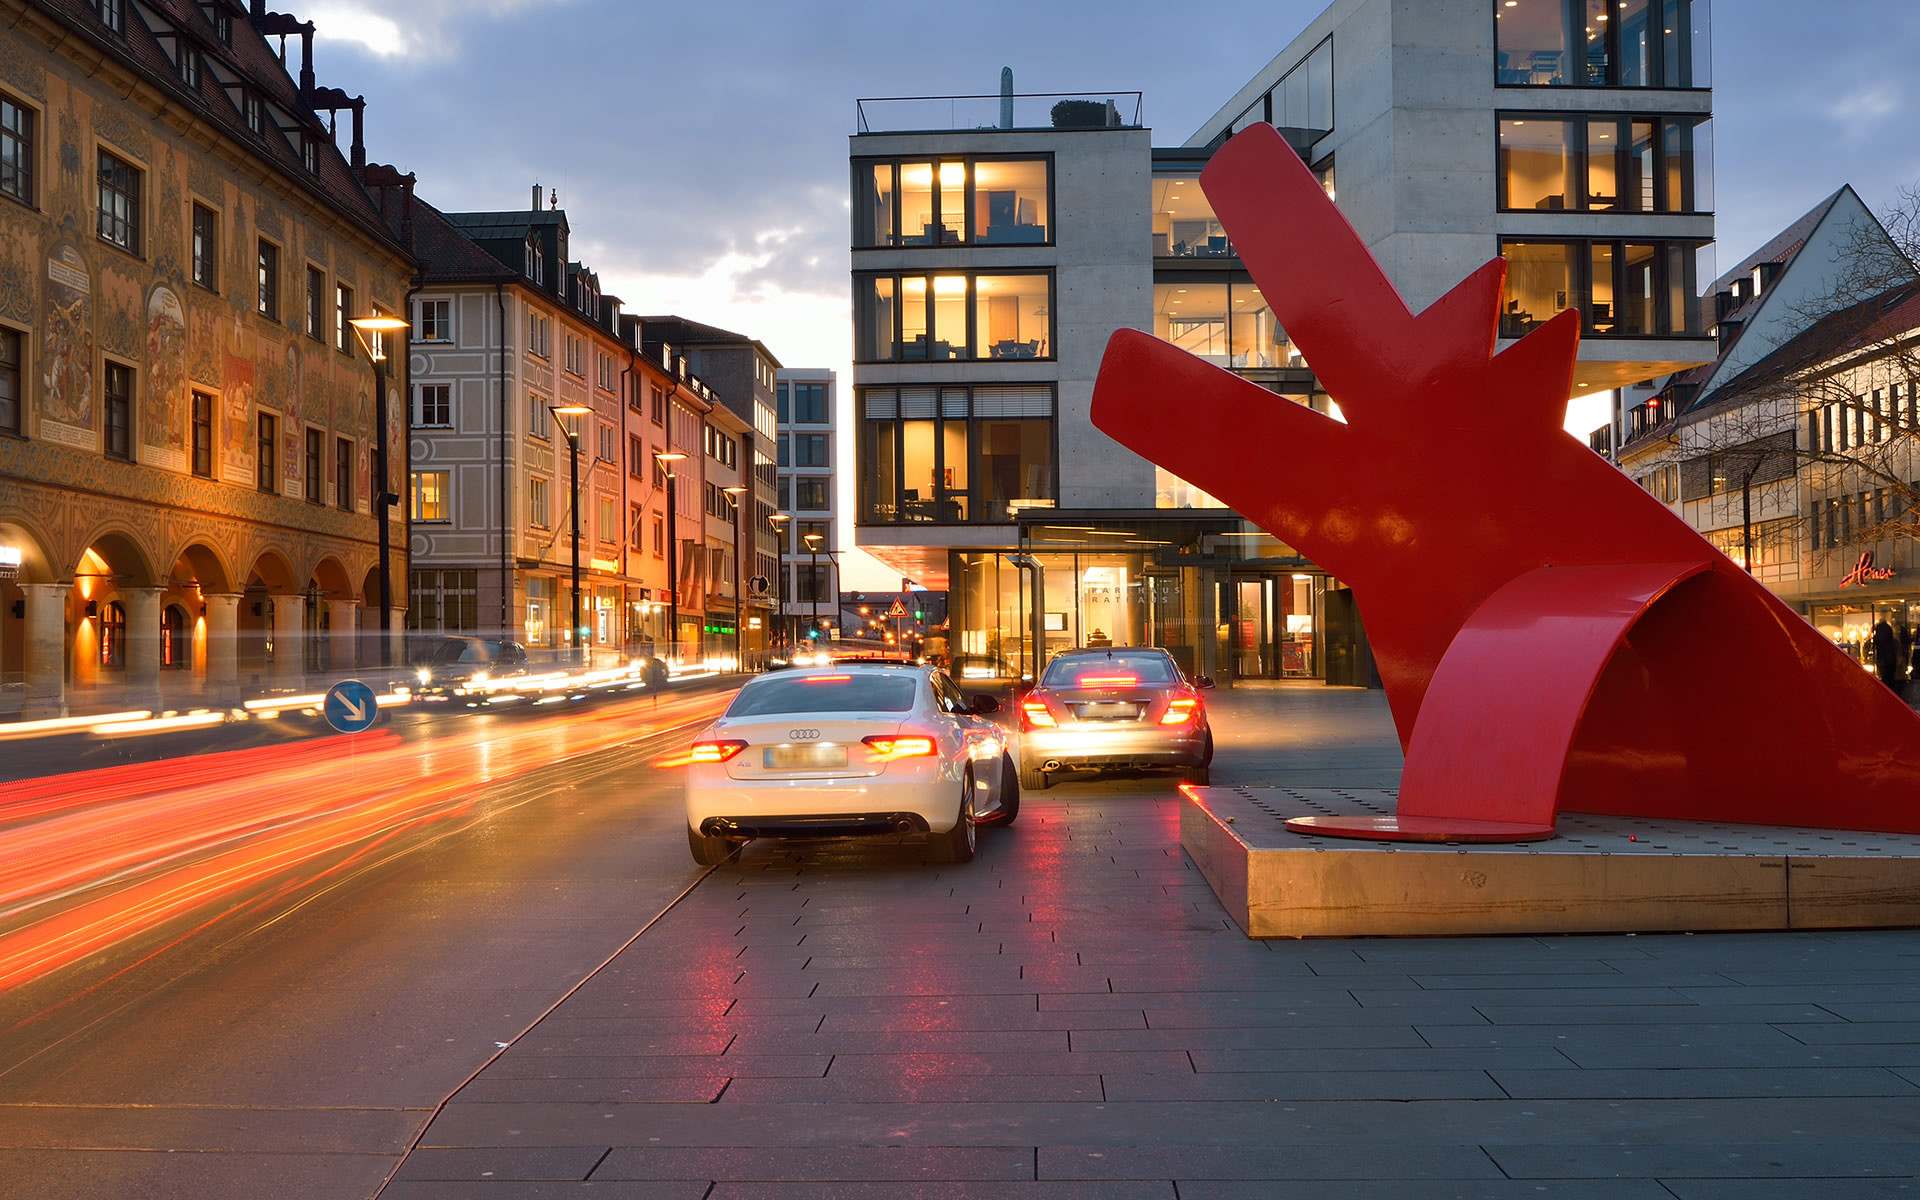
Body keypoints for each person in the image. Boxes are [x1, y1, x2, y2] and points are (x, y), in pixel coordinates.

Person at [1871, 617, 1904, 697]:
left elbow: (1898, 660)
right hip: (1893, 675)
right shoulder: (1893, 643)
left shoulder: (1884, 644)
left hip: (1892, 675)